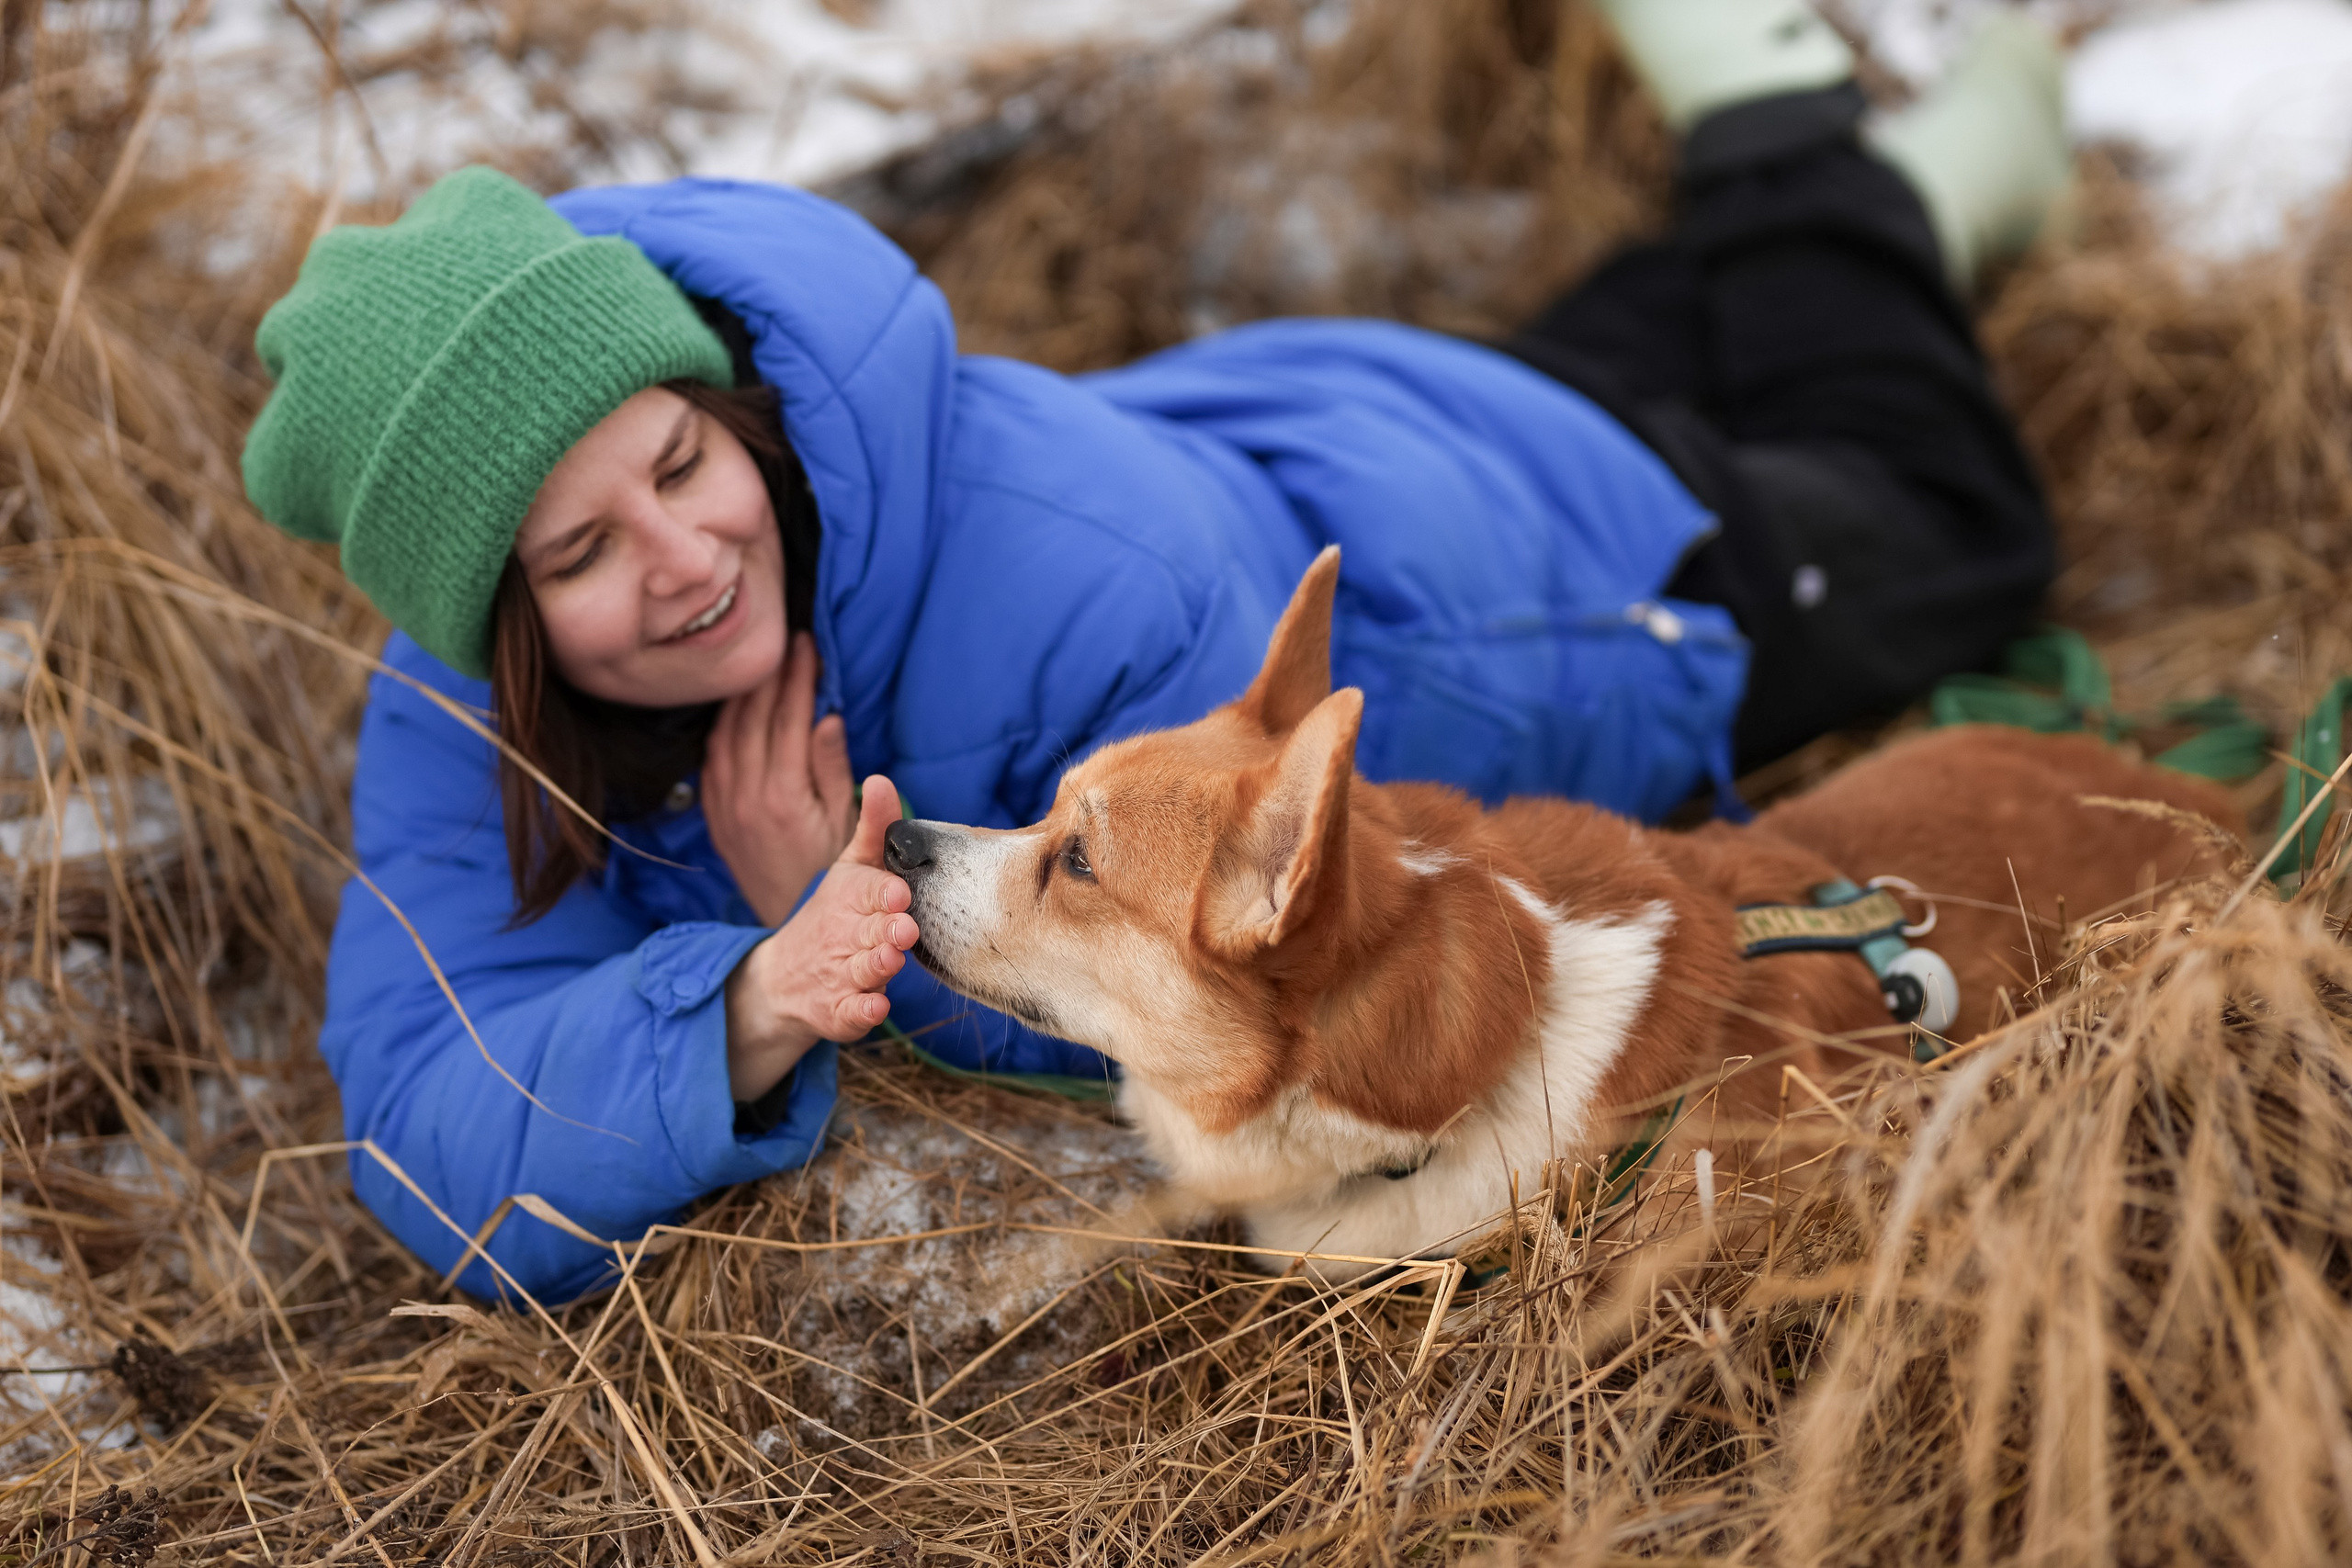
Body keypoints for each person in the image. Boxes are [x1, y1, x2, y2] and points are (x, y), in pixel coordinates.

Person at [242, 0, 2067, 1302]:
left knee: (1952, 518)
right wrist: (759, 988)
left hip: (1544, 545)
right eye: (578, 551)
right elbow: (418, 1129)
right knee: (1670, 327)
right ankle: (1816, 190)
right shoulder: (457, 723)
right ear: (496, 629)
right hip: (1299, 414)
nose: (682, 556)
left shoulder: (1074, 581)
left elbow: (1229, 1021)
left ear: (733, 414)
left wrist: (864, 933)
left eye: (679, 461)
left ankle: (1782, 109)